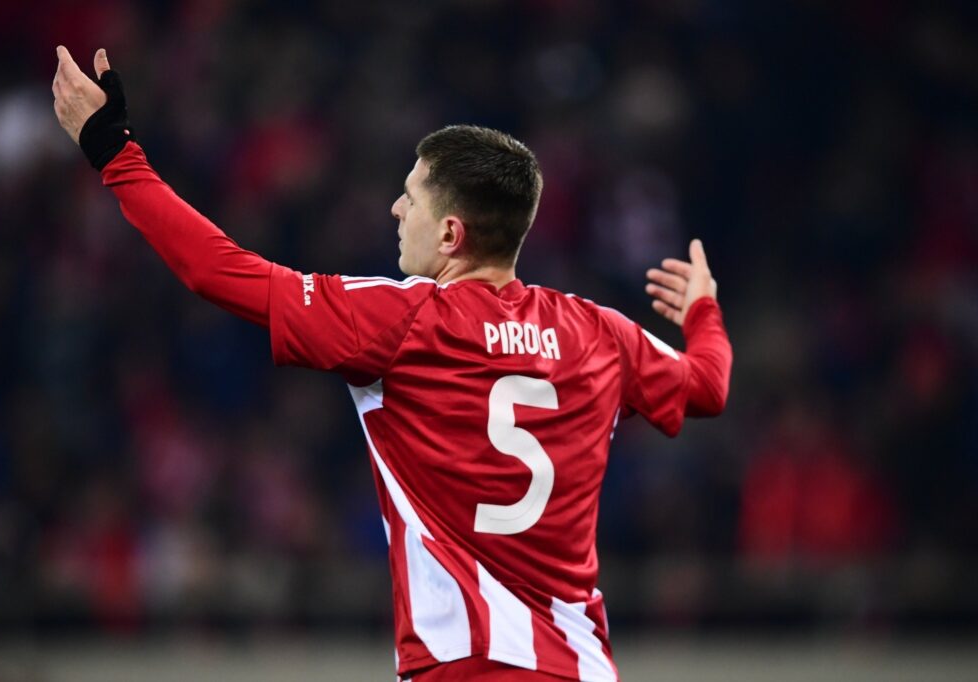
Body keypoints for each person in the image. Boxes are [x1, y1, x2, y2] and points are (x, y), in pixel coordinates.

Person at [52, 46, 732, 681]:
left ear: (451, 233)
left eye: (412, 194)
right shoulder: (600, 334)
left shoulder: (403, 320)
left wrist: (114, 153)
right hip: (582, 667)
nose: (396, 207)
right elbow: (707, 386)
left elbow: (217, 271)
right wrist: (703, 310)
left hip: (464, 663)